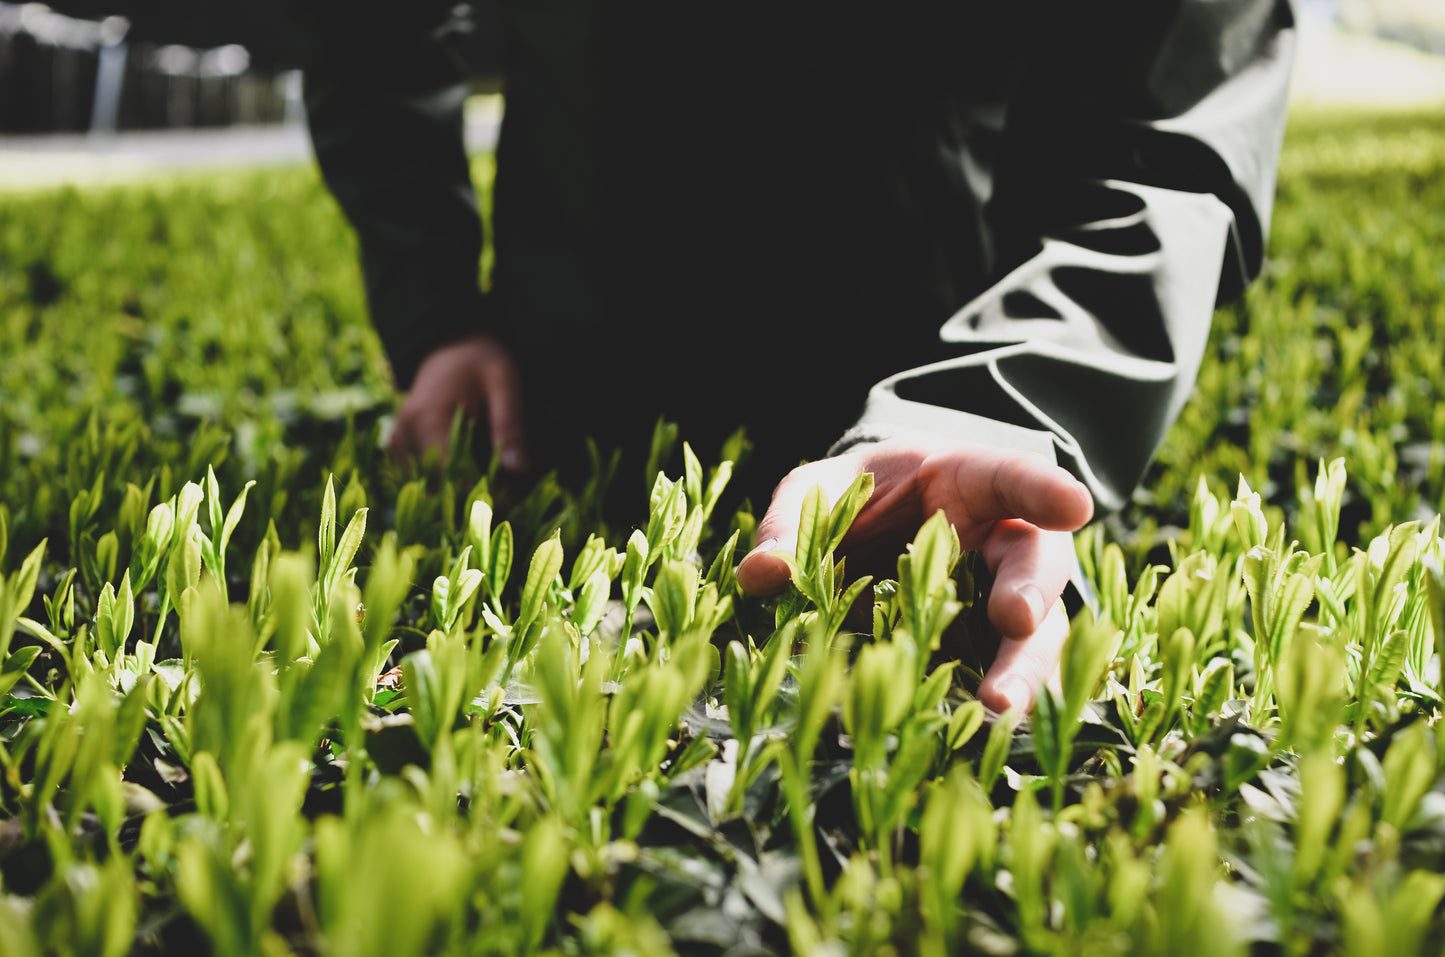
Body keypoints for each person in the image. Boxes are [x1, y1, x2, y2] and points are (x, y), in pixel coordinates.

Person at [295, 0, 1298, 714]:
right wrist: (436, 315)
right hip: (573, 372)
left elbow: (1165, 113)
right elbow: (368, 28)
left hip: (929, 364)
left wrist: (1009, 400)